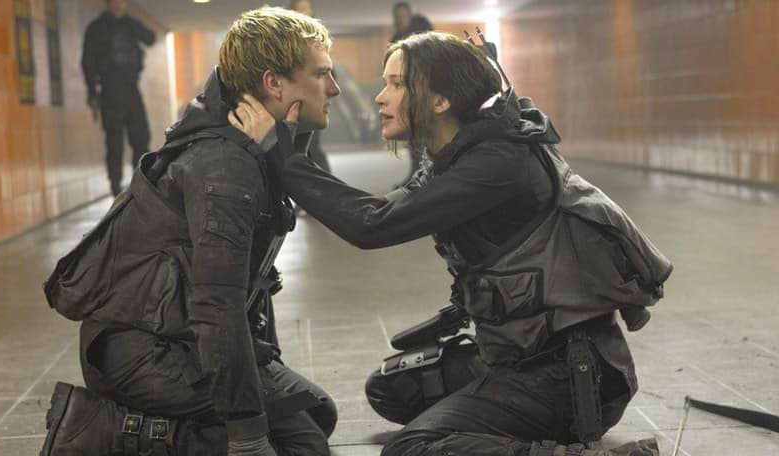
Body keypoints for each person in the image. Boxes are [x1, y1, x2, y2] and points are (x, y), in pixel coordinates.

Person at [229, 31, 670, 456]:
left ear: (440, 101)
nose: (380, 97)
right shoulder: (460, 155)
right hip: (521, 354)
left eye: (397, 84)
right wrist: (297, 145)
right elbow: (375, 211)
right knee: (391, 388)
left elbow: (372, 227)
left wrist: (284, 158)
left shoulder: (497, 164)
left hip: (571, 376)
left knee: (412, 448)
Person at [41, 6, 340, 455]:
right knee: (300, 446)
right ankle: (105, 435)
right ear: (273, 83)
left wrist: (264, 377)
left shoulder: (255, 147)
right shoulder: (225, 166)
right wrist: (248, 434)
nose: (334, 88)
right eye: (321, 74)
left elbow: (250, 284)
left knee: (315, 415)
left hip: (179, 335)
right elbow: (217, 305)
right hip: (143, 351)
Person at [81, 0, 155, 197]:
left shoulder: (131, 24)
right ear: (108, 4)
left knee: (141, 136)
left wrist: (132, 23)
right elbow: (88, 62)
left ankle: (141, 180)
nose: (119, 5)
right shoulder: (97, 28)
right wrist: (92, 92)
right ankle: (115, 184)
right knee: (114, 142)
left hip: (131, 88)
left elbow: (150, 38)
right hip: (110, 91)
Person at [389, 2, 432, 188]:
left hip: (422, 92)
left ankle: (426, 174)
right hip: (407, 94)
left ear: (409, 15)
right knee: (413, 135)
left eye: (402, 16)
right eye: (397, 17)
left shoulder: (422, 33)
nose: (400, 20)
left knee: (424, 134)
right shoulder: (396, 39)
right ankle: (417, 172)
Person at [287, 0, 332, 174]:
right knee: (302, 142)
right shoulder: (288, 39)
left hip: (314, 95)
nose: (303, 13)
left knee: (311, 142)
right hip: (297, 95)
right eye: (300, 9)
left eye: (306, 9)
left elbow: (326, 66)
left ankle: (324, 181)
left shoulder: (318, 37)